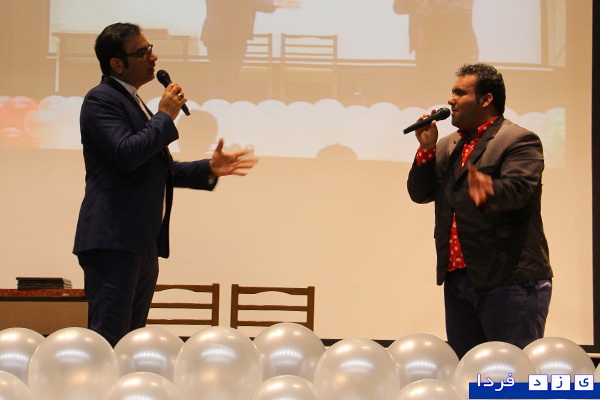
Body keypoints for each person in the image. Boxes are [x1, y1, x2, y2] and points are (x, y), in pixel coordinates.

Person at [73, 22, 256, 347]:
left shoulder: (133, 101)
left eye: (150, 49)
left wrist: (209, 168)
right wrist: (164, 116)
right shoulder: (101, 100)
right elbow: (126, 155)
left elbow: (157, 169)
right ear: (117, 63)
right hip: (113, 241)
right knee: (110, 343)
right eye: (142, 52)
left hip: (140, 243)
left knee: (131, 343)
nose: (153, 57)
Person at [406, 63, 553, 359]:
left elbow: (520, 190)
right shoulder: (447, 146)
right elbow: (419, 194)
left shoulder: (518, 140)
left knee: (511, 370)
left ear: (486, 99)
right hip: (459, 278)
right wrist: (427, 150)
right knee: (468, 369)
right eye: (452, 92)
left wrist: (490, 188)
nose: (451, 100)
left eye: (460, 93)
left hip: (509, 279)